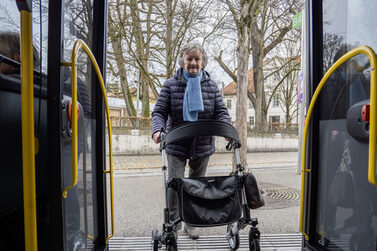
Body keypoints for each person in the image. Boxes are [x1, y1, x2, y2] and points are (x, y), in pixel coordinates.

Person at [151, 42, 231, 239]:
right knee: (174, 185)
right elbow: (159, 112)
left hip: (202, 145)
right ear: (182, 61)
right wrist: (157, 130)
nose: (193, 63)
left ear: (203, 62)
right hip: (177, 144)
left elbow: (220, 112)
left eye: (197, 59)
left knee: (196, 187)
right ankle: (172, 225)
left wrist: (226, 129)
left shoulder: (211, 86)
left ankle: (191, 223)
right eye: (190, 59)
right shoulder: (170, 84)